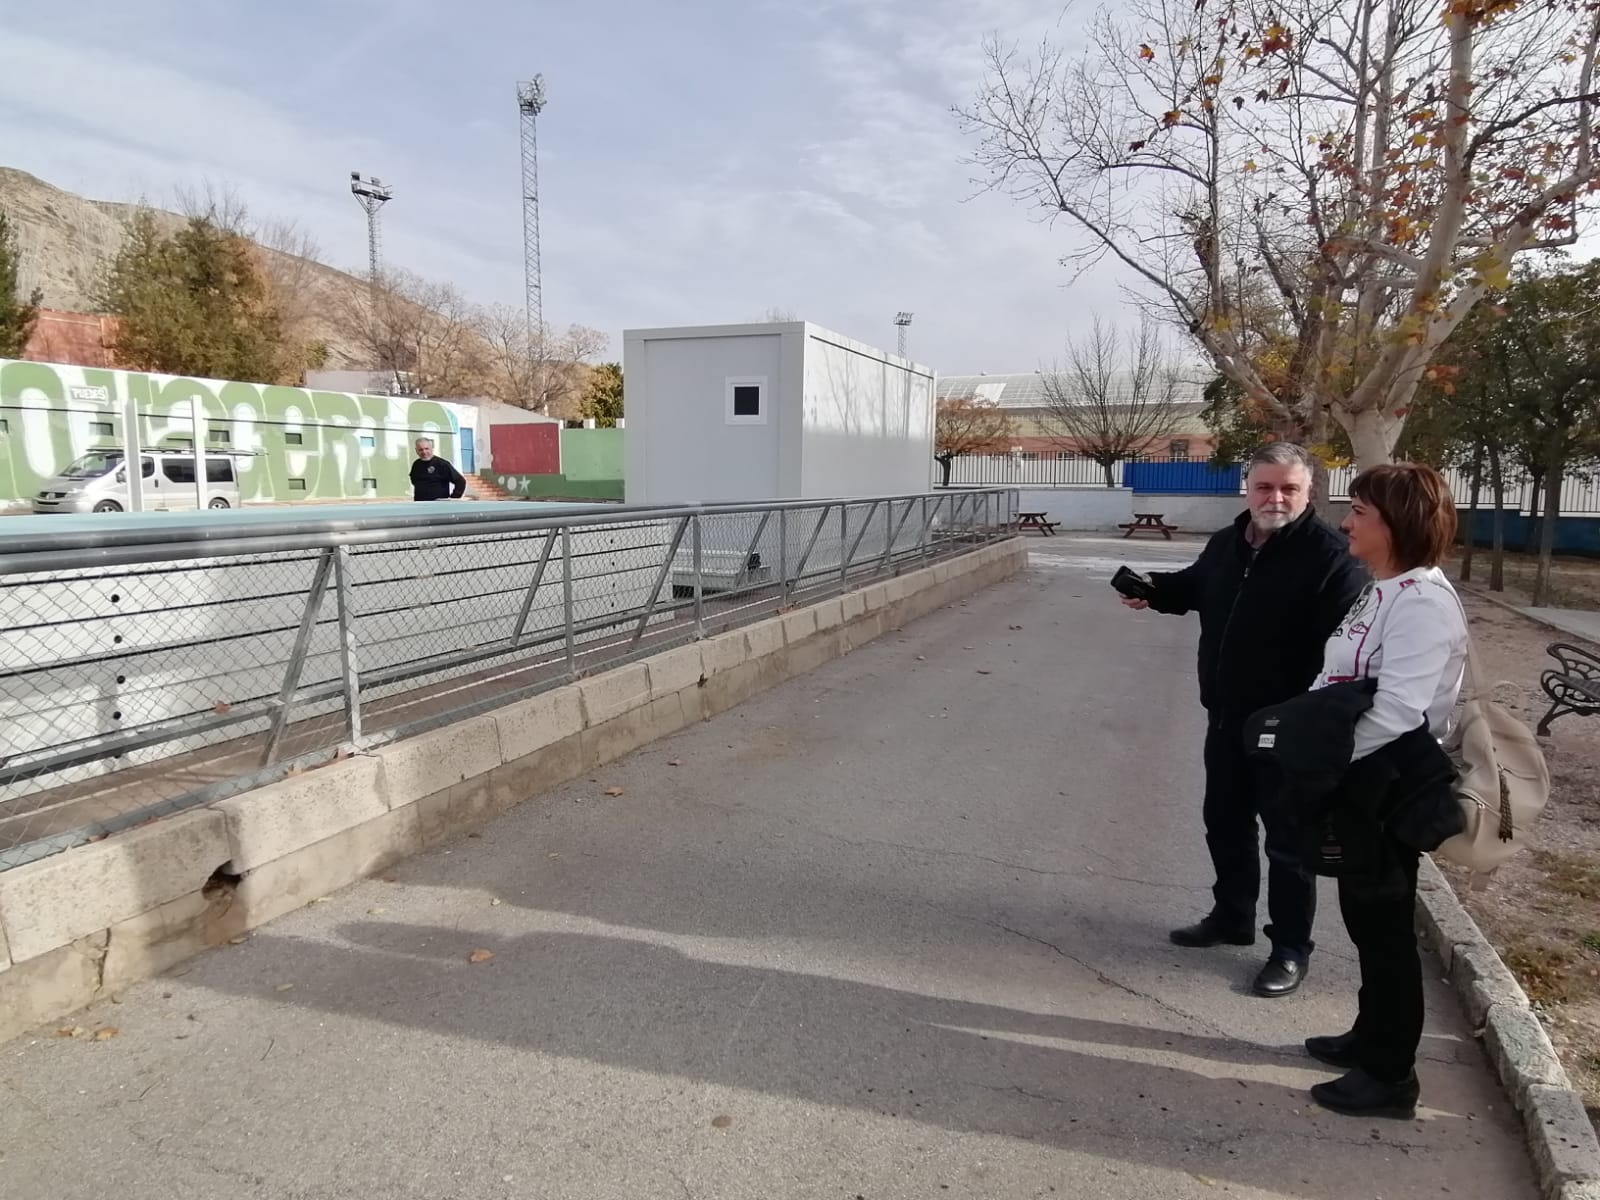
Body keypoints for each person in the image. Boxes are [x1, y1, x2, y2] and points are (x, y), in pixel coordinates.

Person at [1121, 443, 1367, 997]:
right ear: (1247, 488)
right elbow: (1197, 587)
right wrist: (1152, 590)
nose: (1275, 498)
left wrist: (1313, 720)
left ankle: (1289, 949)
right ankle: (1232, 917)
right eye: (1264, 487)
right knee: (1225, 821)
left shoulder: (1331, 556)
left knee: (1287, 842)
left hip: (1291, 730)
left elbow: (1344, 649)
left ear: (1308, 493)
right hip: (1228, 715)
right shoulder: (1228, 542)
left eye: (1289, 489)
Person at [1295, 463, 1468, 1118]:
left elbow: (1400, 711)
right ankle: (1369, 1037)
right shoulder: (1383, 589)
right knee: (1366, 920)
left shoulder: (1422, 602)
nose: (1347, 521)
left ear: (1396, 522)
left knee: (1386, 927)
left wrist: (1323, 760)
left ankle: (1391, 1075)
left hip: (1389, 784)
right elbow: (1339, 673)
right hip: (1360, 777)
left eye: (1360, 511)